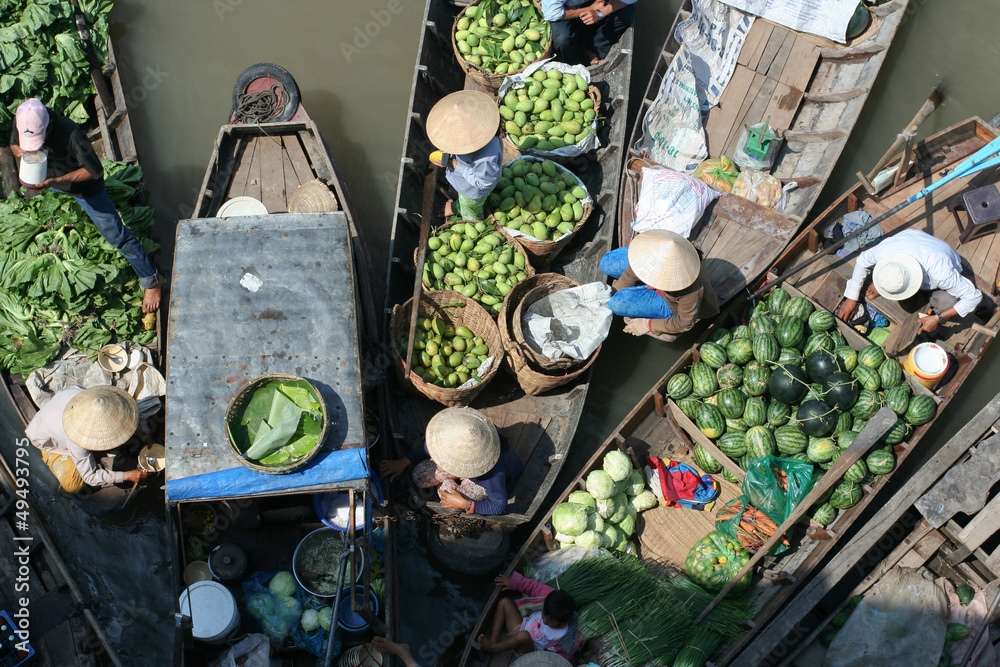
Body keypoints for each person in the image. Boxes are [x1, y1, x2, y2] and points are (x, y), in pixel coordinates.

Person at [8, 98, 161, 312]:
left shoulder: (70, 133)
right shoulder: (26, 120)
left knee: (116, 235)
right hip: (48, 180)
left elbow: (95, 171)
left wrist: (56, 181)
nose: (37, 146)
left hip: (84, 189)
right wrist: (21, 152)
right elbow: (13, 143)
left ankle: (151, 281)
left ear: (49, 126)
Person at [836, 229, 993, 334]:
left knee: (946, 303)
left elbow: (973, 297)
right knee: (907, 303)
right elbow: (863, 260)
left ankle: (931, 309)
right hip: (912, 241)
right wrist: (851, 297)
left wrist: (939, 318)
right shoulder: (884, 251)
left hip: (943, 258)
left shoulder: (941, 273)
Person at [379, 406, 523, 515]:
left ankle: (458, 490)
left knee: (447, 494)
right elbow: (434, 444)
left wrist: (467, 504)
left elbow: (499, 506)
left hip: (484, 481)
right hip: (473, 465)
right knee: (419, 476)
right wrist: (405, 461)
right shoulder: (472, 428)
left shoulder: (492, 474)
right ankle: (453, 483)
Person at [600, 229, 719, 342]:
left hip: (671, 303)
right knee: (607, 263)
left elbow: (685, 323)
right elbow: (636, 267)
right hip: (663, 285)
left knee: (617, 304)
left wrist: (648, 324)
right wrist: (617, 289)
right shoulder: (660, 249)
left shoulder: (690, 289)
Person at [25, 385, 148, 493]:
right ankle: (56, 456)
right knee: (72, 485)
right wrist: (127, 475)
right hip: (48, 440)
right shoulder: (76, 438)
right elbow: (90, 477)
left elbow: (132, 410)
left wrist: (145, 432)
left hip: (56, 415)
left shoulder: (97, 398)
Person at [426, 91, 503, 221]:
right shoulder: (487, 133)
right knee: (464, 201)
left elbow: (484, 183)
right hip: (467, 185)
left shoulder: (485, 158)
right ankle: (458, 207)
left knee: (471, 212)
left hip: (473, 191)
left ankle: (473, 218)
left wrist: (455, 165)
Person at [477, 572, 579, 660]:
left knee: (524, 636)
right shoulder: (549, 596)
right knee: (504, 602)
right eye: (544, 614)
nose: (544, 619)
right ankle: (494, 639)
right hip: (521, 626)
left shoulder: (565, 639)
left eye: (550, 620)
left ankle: (495, 647)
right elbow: (534, 587)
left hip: (530, 649)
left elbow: (560, 659)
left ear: (562, 621)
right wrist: (514, 583)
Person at [542, 0, 637, 66]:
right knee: (561, 38)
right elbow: (552, 13)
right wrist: (590, 8)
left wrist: (600, 13)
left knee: (626, 13)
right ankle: (572, 62)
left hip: (596, 4)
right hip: (565, 10)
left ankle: (593, 49)